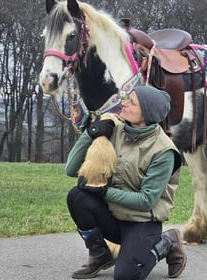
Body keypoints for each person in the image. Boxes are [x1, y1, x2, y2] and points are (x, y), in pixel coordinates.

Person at [65, 85, 187, 280]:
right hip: (114, 218)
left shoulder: (164, 151)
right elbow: (71, 169)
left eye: (132, 102)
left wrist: (104, 192)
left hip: (142, 223)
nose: (124, 103)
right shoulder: (115, 131)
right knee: (77, 196)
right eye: (126, 98)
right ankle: (100, 254)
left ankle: (166, 243)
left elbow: (146, 200)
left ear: (147, 113)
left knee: (126, 276)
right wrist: (91, 133)